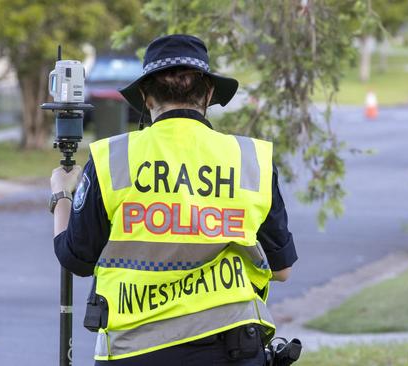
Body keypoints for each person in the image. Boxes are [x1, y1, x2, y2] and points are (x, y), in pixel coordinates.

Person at [50, 34, 297, 366]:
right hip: (232, 350)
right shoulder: (251, 159)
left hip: (134, 353)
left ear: (145, 96)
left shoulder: (113, 158)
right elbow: (281, 270)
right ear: (209, 93)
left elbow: (76, 258)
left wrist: (62, 193)